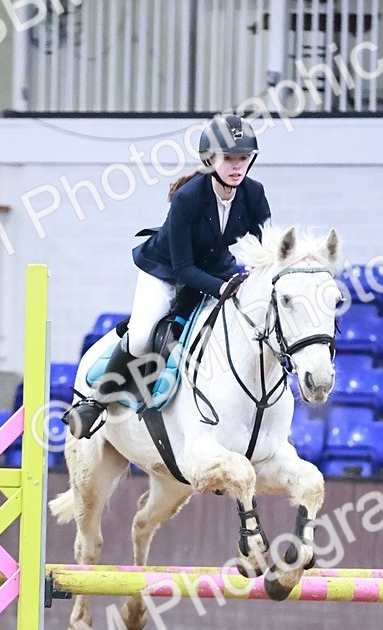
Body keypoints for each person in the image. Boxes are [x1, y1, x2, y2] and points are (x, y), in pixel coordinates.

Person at [66, 112, 271, 438]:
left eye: (243, 158)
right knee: (143, 336)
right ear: (210, 159)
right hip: (165, 269)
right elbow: (183, 268)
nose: (237, 166)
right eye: (228, 158)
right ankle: (96, 402)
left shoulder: (254, 193)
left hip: (216, 265)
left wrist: (252, 277)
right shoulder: (187, 198)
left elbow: (264, 250)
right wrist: (221, 288)